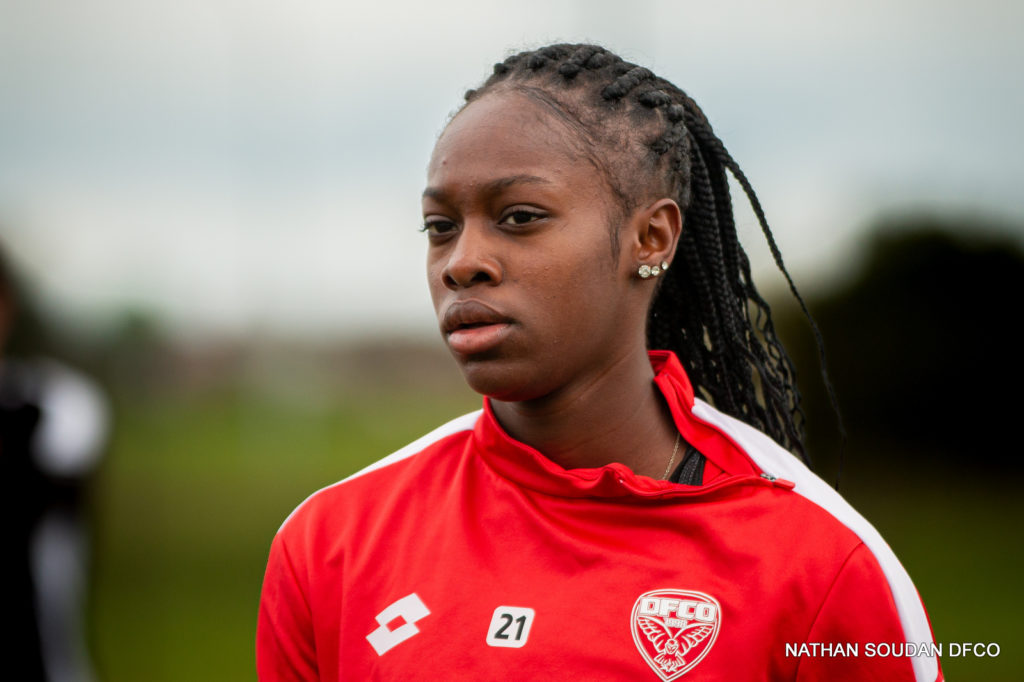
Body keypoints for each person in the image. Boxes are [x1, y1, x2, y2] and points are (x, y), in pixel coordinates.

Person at [257, 44, 941, 681]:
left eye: (520, 217)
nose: (462, 263)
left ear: (651, 238)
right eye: (441, 227)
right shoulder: (331, 542)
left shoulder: (820, 563)